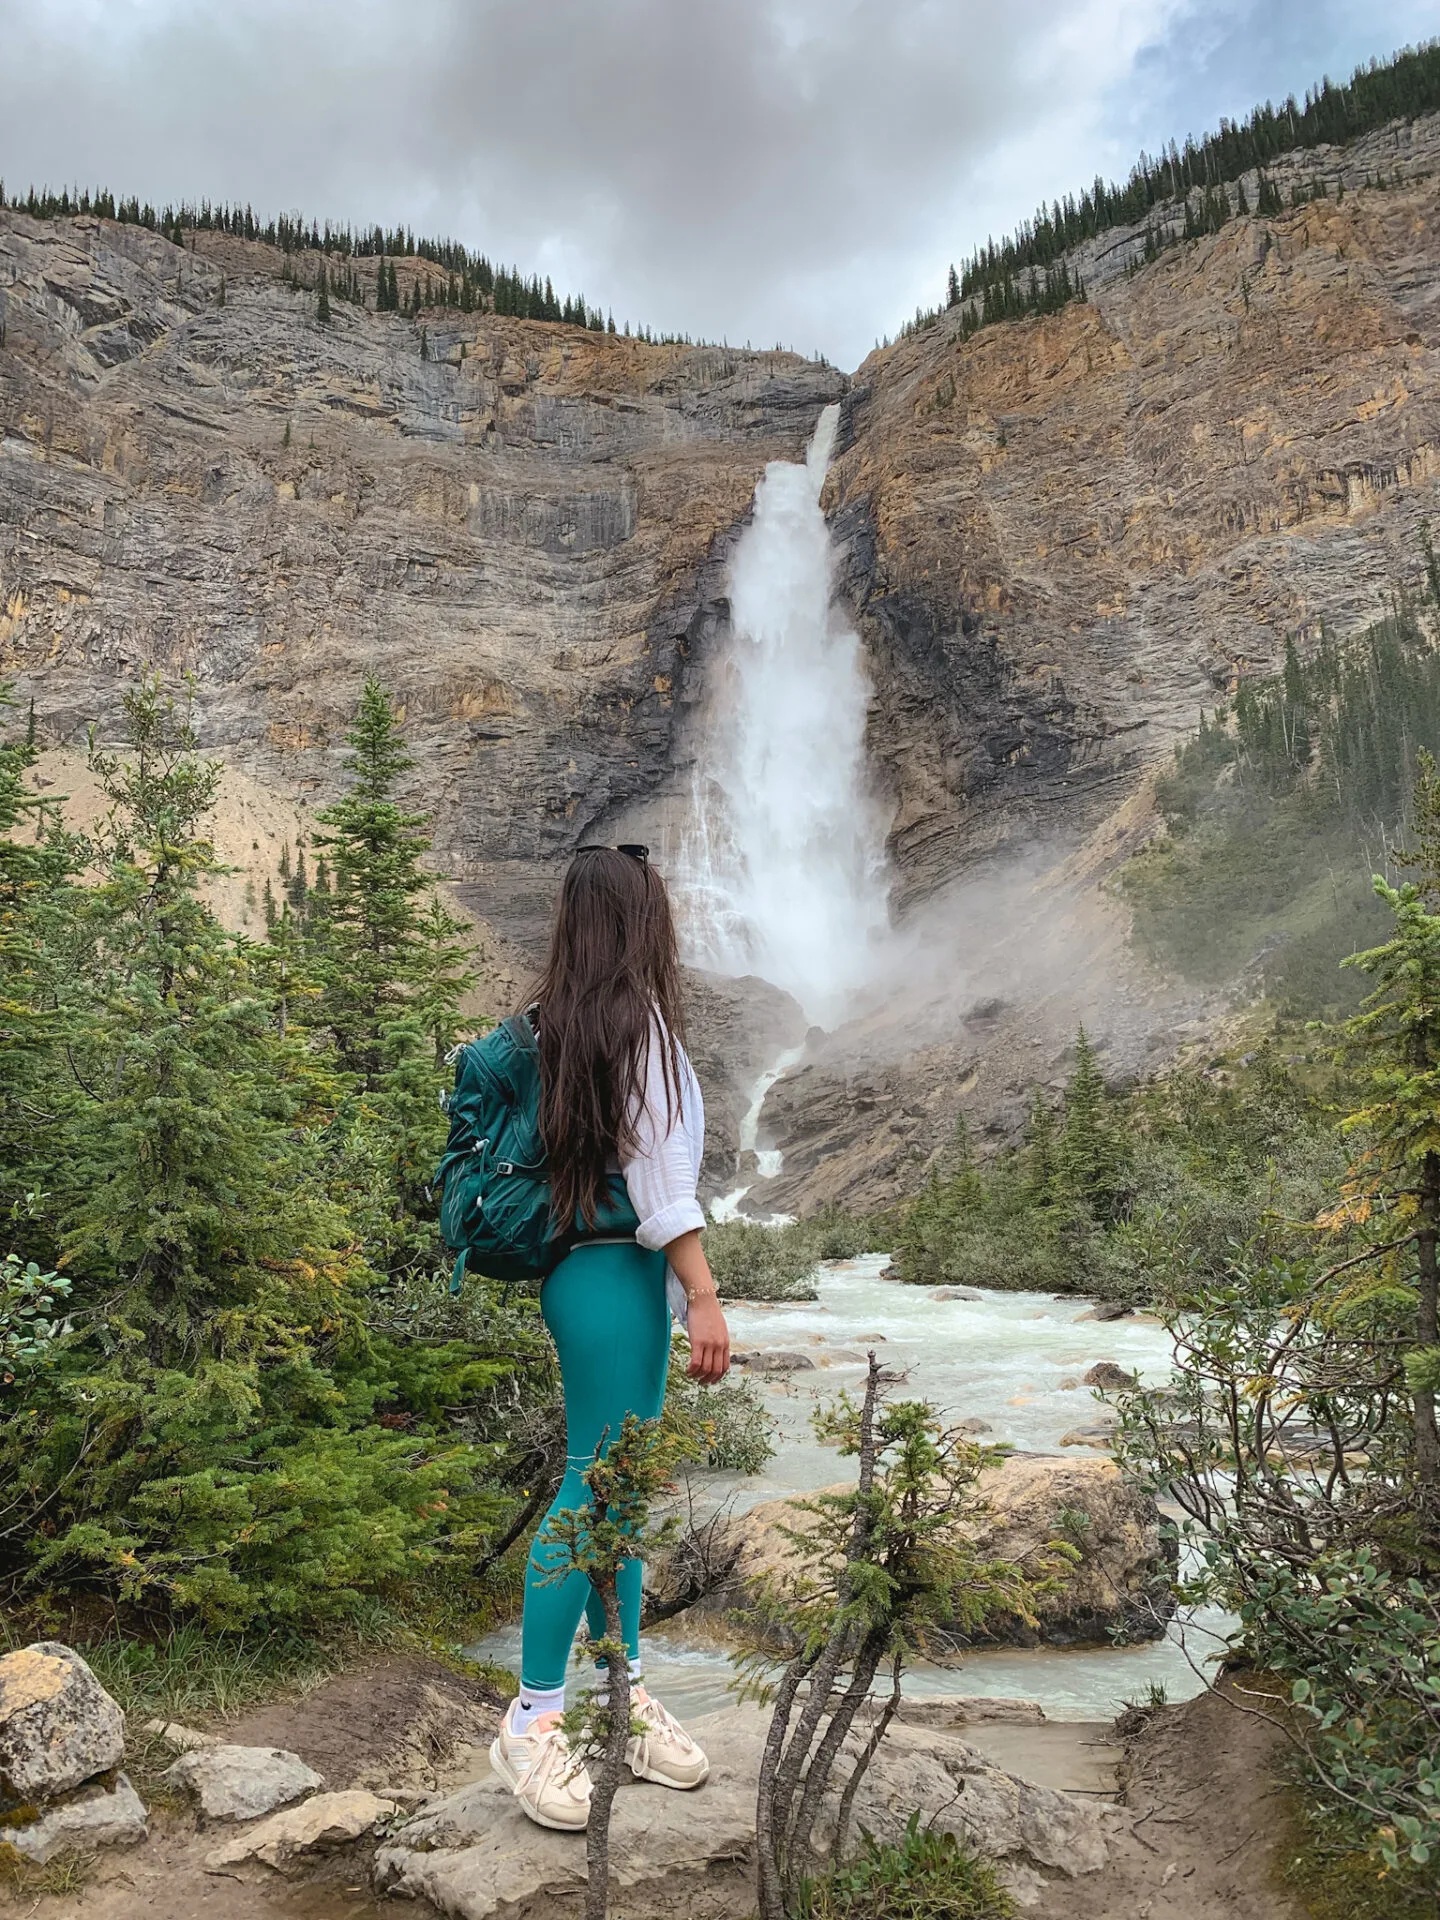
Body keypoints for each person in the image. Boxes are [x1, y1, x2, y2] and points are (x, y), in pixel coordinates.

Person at [488, 843, 731, 1831]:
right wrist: (706, 1298)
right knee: (596, 1487)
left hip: (576, 1279)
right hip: (622, 1280)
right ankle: (534, 1720)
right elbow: (665, 1190)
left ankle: (618, 1699)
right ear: (641, 921)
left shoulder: (557, 1026)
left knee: (613, 1492)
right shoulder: (641, 1028)